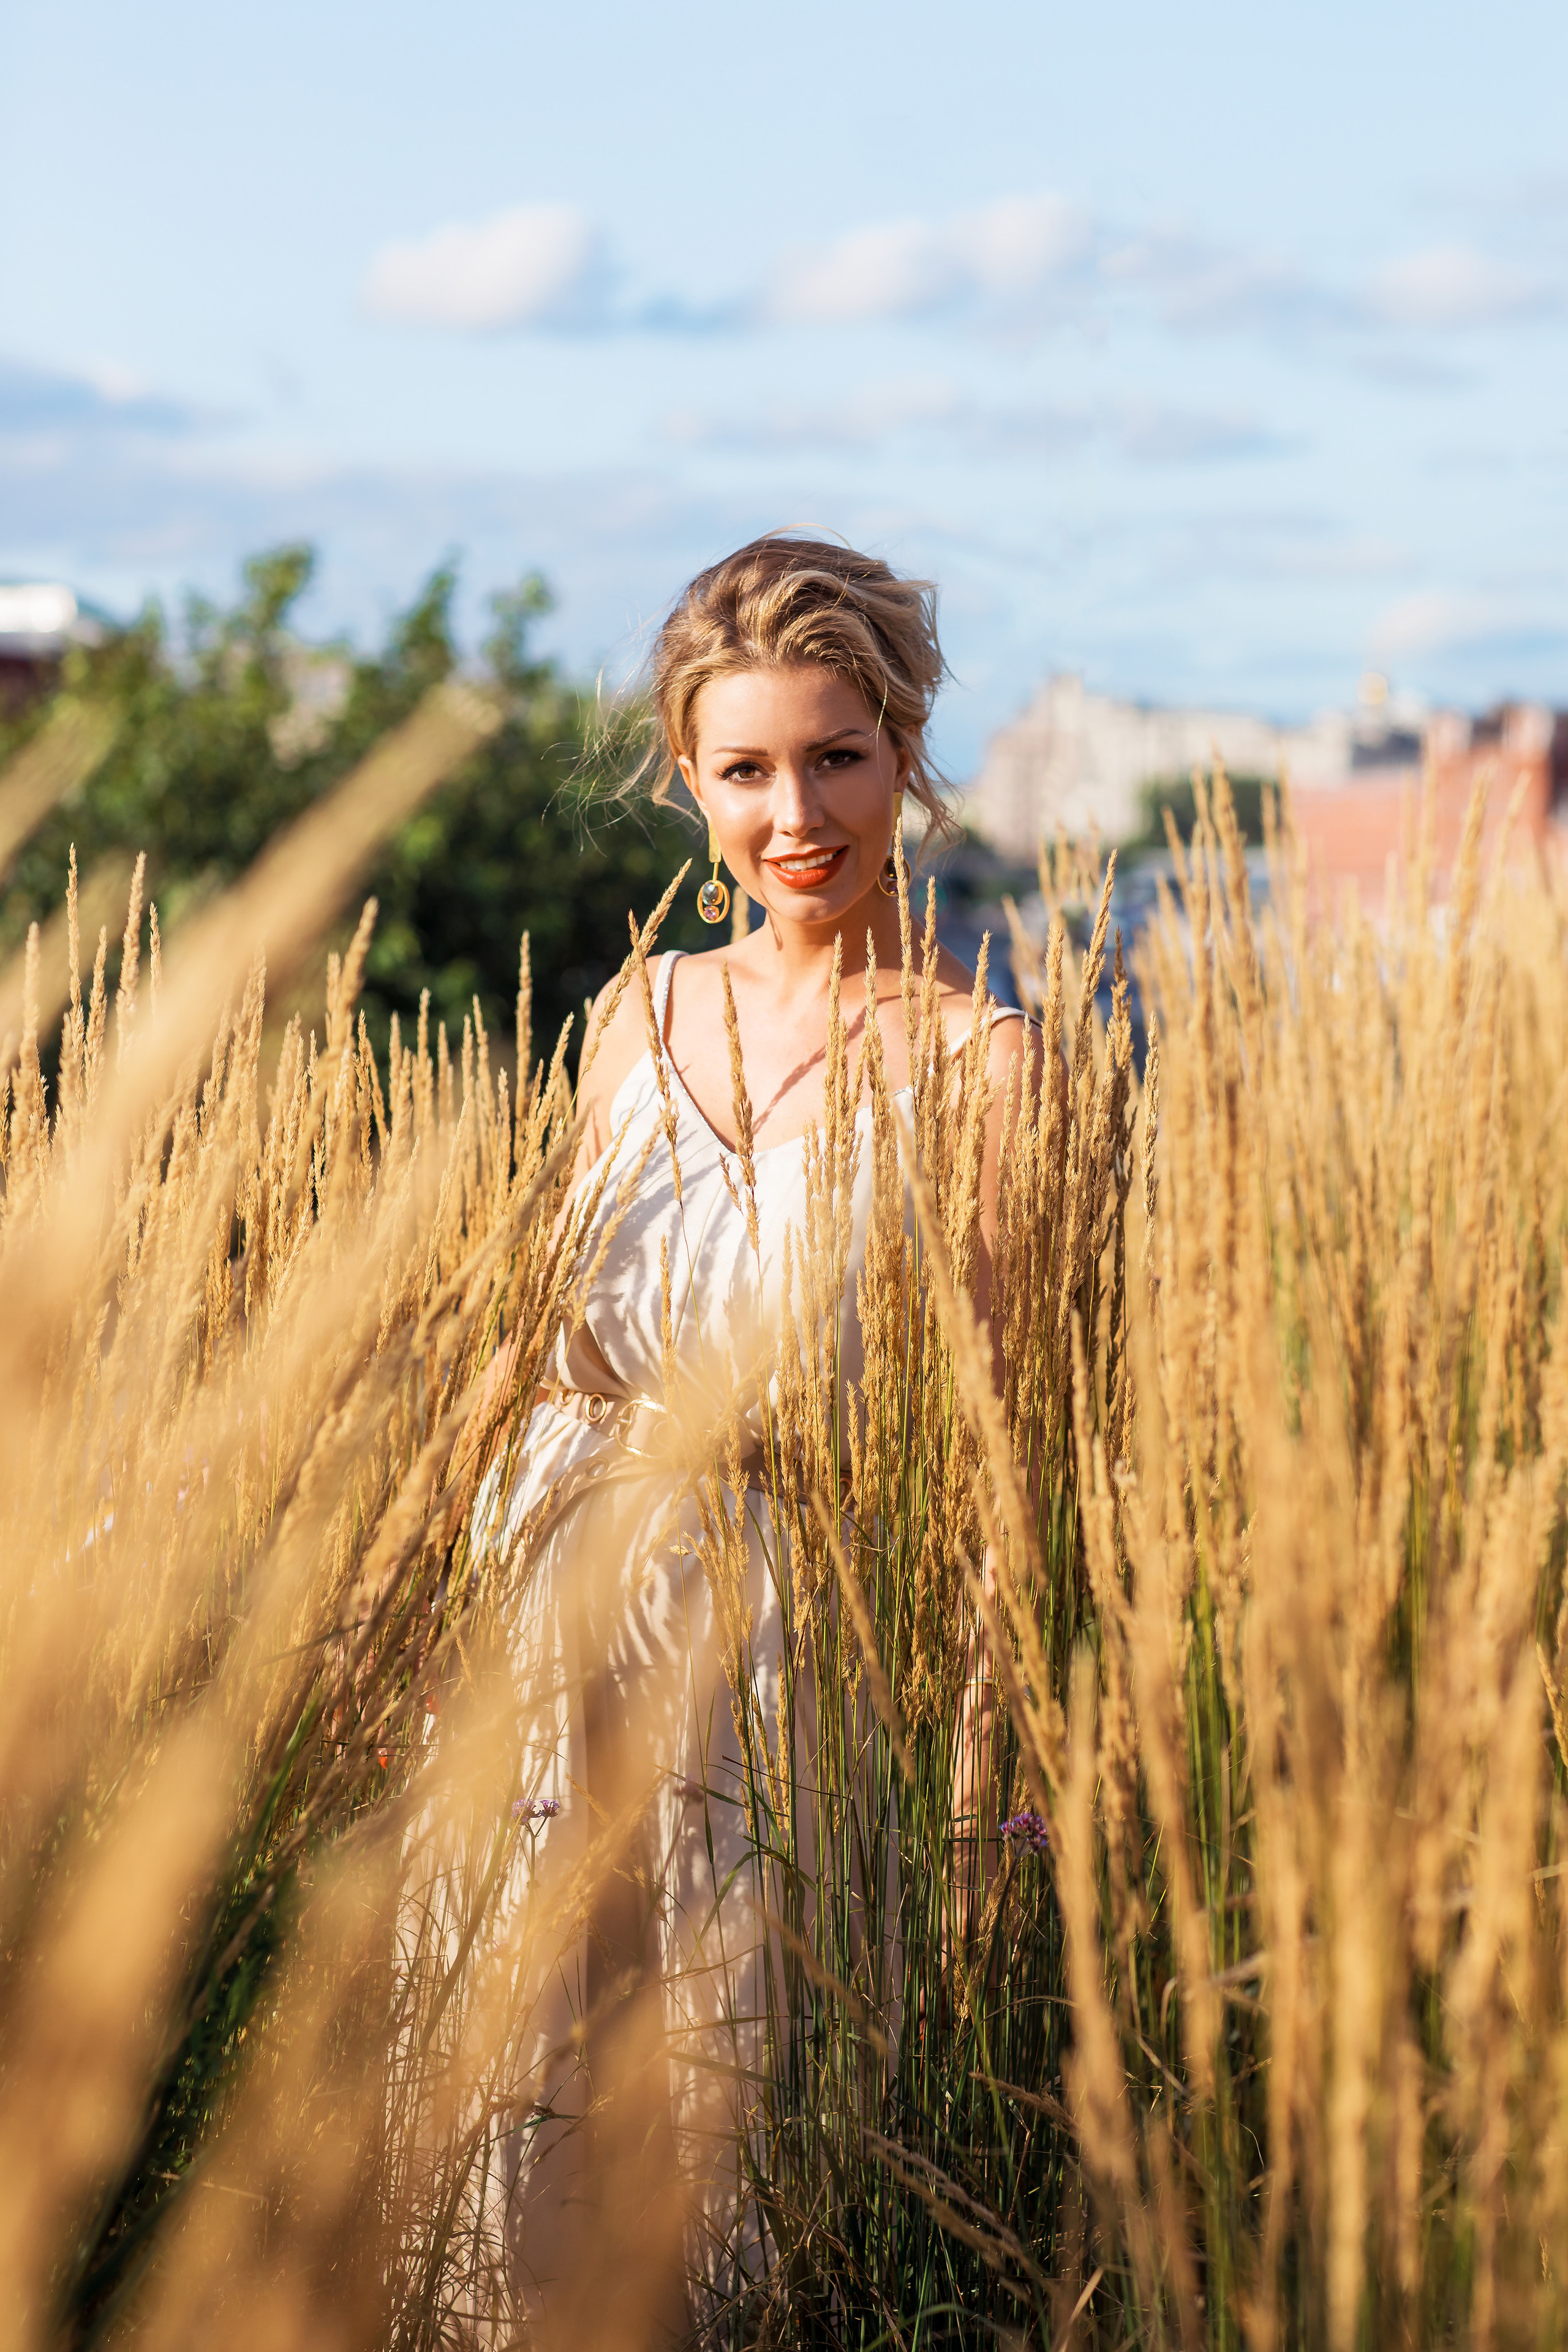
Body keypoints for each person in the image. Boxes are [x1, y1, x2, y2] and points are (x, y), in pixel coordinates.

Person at [486, 535, 1032, 2346]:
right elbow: (559, 1351)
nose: (794, 813)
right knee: (530, 2134)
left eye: (836, 757)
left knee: (726, 2155)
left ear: (907, 753)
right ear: (688, 781)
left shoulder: (990, 1067)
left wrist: (972, 1785)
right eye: (745, 769)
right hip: (560, 1624)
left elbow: (993, 1468)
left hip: (801, 1662)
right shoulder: (634, 1015)